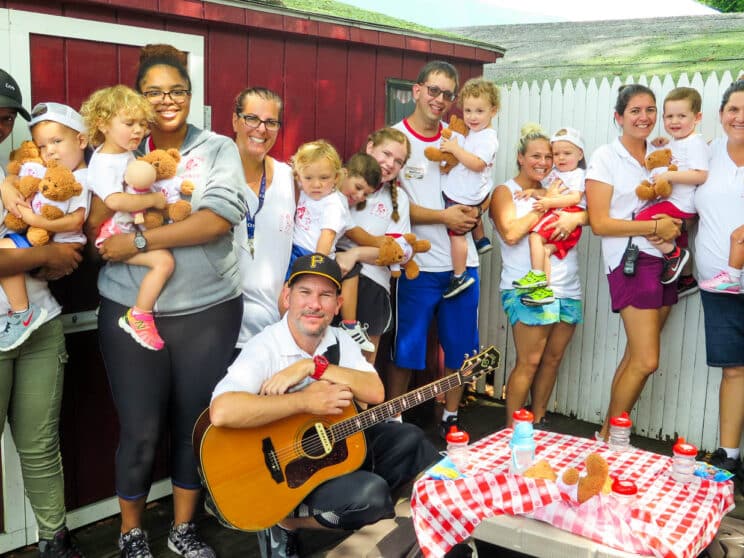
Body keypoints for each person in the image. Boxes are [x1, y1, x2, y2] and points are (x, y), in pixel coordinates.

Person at [85, 44, 247, 558]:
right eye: (153, 92)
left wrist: (136, 242)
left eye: (177, 90)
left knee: (194, 421)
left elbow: (216, 219)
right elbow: (93, 224)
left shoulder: (218, 149)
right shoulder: (118, 152)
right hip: (130, 312)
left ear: (191, 96)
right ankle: (131, 533)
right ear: (138, 99)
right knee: (140, 427)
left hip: (207, 311)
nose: (166, 100)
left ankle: (183, 530)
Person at [209, 253, 439, 558]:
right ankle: (285, 522)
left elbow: (375, 392)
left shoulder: (340, 341)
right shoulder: (266, 346)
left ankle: (430, 532)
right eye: (305, 293)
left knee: (409, 439)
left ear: (338, 305)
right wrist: (304, 401)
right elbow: (222, 410)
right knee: (372, 497)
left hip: (334, 453)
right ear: (287, 297)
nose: (314, 304)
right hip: (288, 475)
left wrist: (312, 368)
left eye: (325, 295)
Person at [0, 68, 85, 557]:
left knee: (39, 444)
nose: (0, 123)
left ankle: (56, 540)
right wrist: (44, 256)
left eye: (7, 116)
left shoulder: (16, 173)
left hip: (42, 322)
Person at [585, 84, 681, 441]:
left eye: (650, 110)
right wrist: (654, 225)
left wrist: (672, 227)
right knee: (646, 360)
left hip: (666, 261)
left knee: (634, 355)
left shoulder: (661, 155)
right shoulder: (606, 157)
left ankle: (609, 433)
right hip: (631, 261)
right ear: (619, 117)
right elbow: (600, 223)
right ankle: (613, 438)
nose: (644, 117)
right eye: (635, 111)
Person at [390, 61, 481, 437]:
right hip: (419, 263)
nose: (439, 99)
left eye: (447, 94)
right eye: (433, 90)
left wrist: (477, 208)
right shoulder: (395, 140)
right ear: (416, 90)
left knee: (460, 350)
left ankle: (451, 418)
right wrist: (444, 217)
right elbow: (391, 204)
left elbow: (480, 182)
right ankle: (392, 422)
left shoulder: (459, 139)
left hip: (463, 263)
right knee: (407, 348)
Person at [489, 124, 585, 427]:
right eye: (535, 156)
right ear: (520, 157)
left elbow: (590, 211)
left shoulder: (558, 187)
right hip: (525, 289)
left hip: (567, 286)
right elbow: (512, 232)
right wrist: (545, 207)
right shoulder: (506, 192)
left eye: (549, 156)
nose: (543, 162)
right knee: (529, 362)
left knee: (552, 360)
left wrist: (576, 215)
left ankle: (538, 419)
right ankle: (512, 430)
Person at [81, 85, 175, 351]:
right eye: (129, 123)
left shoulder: (123, 153)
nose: (138, 130)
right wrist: (153, 201)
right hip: (112, 235)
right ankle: (140, 315)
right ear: (103, 125)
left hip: (126, 226)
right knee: (164, 262)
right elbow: (114, 201)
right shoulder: (104, 162)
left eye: (143, 124)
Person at [0, 102, 89, 351]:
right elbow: (17, 176)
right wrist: (7, 185)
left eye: (56, 142)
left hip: (51, 239)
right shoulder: (51, 170)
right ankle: (23, 311)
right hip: (45, 242)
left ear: (81, 141)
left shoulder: (78, 178)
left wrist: (35, 221)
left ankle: (22, 312)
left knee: (4, 251)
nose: (48, 151)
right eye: (42, 146)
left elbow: (77, 220)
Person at [696, 80, 744, 476]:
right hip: (719, 283)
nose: (739, 117)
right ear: (721, 113)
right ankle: (729, 455)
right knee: (734, 370)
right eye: (733, 109)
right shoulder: (707, 154)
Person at [337, 127, 412, 365]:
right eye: (386, 154)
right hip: (335, 281)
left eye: (398, 161)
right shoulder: (343, 181)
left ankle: (363, 405)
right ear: (370, 147)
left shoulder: (399, 199)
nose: (390, 163)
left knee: (363, 368)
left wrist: (356, 253)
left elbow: (401, 252)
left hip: (373, 288)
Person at [232, 87, 295, 355]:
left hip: (274, 332)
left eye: (271, 122)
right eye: (252, 119)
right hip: (220, 329)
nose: (261, 129)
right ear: (235, 120)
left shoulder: (289, 178)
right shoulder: (211, 173)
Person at [637, 86, 709, 295]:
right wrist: (658, 147)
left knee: (643, 220)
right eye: (669, 116)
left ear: (697, 117)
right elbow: (672, 162)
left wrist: (669, 176)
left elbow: (700, 174)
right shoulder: (679, 142)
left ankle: (673, 254)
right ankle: (686, 279)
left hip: (681, 203)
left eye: (681, 116)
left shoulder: (694, 143)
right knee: (680, 236)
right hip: (676, 201)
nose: (674, 121)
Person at [439, 77, 500, 299]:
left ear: (493, 110)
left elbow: (476, 164)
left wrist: (454, 150)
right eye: (468, 110)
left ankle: (460, 274)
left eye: (479, 111)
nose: (472, 117)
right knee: (472, 213)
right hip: (471, 190)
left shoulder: (488, 138)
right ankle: (481, 240)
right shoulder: (475, 133)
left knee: (457, 235)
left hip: (466, 193)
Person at [512, 126, 586, 307]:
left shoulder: (578, 174)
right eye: (557, 154)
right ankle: (544, 289)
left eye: (567, 153)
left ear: (580, 154)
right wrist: (534, 191)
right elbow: (547, 190)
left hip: (570, 214)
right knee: (545, 251)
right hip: (562, 217)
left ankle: (536, 276)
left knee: (535, 237)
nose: (561, 158)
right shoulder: (555, 174)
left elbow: (575, 197)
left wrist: (548, 202)